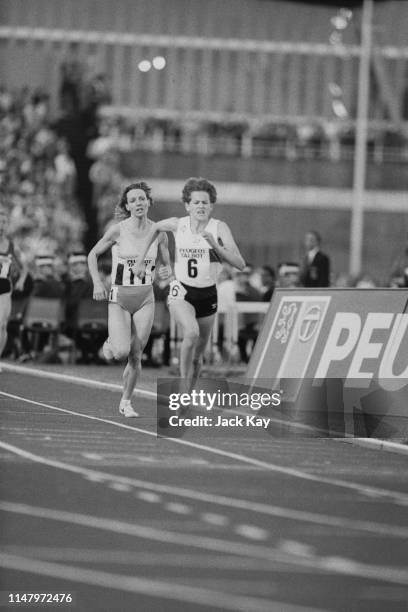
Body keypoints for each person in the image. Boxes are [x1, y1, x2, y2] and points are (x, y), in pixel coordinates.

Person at [134, 177, 245, 395]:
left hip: (208, 294)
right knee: (191, 333)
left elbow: (239, 263)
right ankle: (183, 388)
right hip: (181, 291)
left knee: (198, 356)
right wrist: (141, 259)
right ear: (187, 205)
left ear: (211, 206)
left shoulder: (219, 228)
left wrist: (215, 244)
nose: (201, 206)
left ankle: (189, 396)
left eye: (205, 202)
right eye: (196, 202)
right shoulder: (178, 224)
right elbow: (154, 228)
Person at [87, 182, 171, 417]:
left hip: (146, 297)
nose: (138, 203)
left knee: (136, 354)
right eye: (133, 200)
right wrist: (97, 282)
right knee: (121, 352)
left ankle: (126, 401)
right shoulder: (118, 230)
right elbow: (92, 254)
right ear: (127, 206)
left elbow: (166, 266)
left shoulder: (159, 233)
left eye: (142, 199)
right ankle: (110, 343)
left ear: (149, 202)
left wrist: (167, 273)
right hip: (120, 296)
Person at [0, 207, 27, 359]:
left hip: (4, 286)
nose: (1, 225)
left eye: (4, 222)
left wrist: (22, 280)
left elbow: (25, 266)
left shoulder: (12, 246)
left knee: (3, 325)